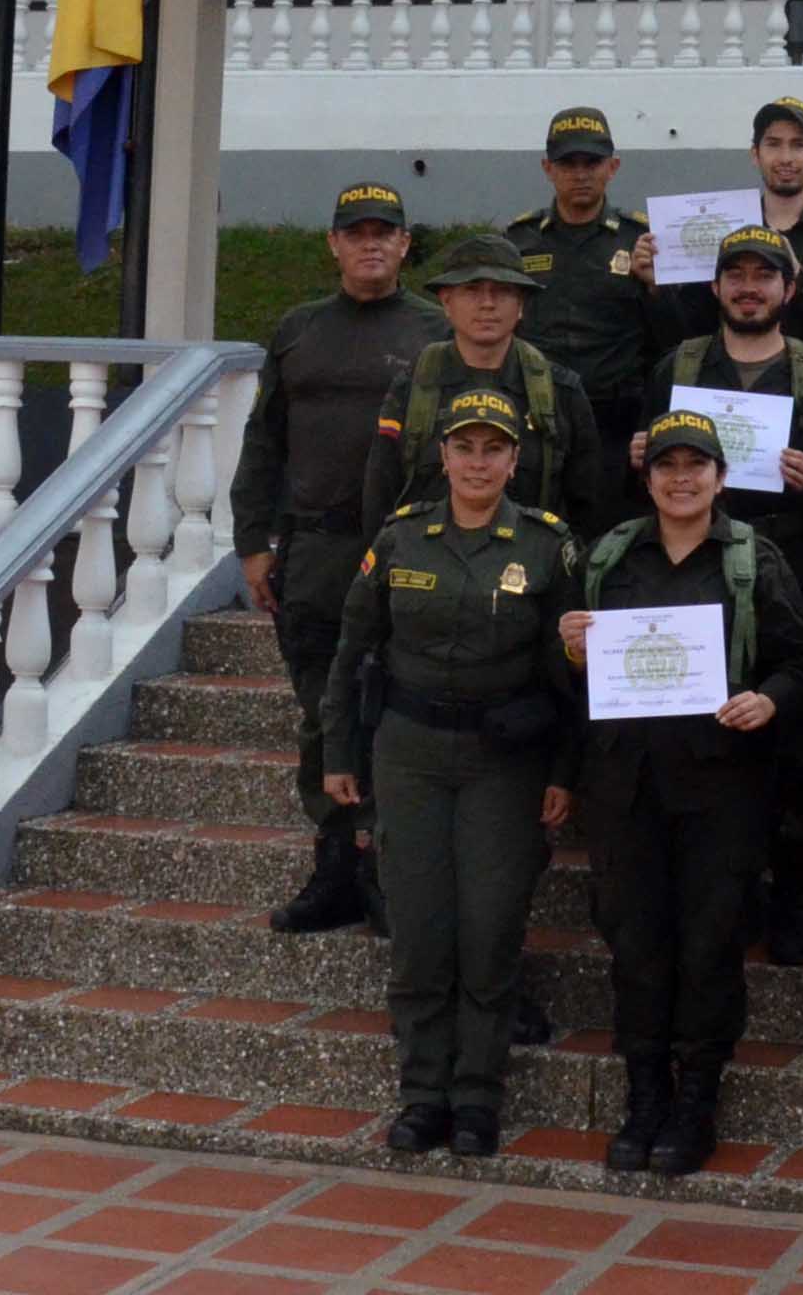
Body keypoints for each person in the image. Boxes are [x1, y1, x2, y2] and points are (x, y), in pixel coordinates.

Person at [321, 388, 583, 1161]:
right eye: (464, 448)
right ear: (443, 456)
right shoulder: (402, 539)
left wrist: (565, 771)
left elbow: (570, 675)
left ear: (514, 459)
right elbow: (350, 650)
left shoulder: (547, 546)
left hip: (504, 761)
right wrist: (339, 752)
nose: (477, 462)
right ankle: (422, 1093)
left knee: (491, 925)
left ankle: (477, 1096)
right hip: (410, 753)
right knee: (422, 931)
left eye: (493, 449)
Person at [562, 407, 803, 1179]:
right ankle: (644, 1097)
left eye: (696, 466)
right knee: (635, 944)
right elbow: (568, 681)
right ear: (647, 477)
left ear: (719, 477)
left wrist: (769, 699)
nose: (682, 479)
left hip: (719, 786)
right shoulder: (609, 557)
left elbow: (802, 662)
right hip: (626, 784)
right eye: (668, 466)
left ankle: (695, 1103)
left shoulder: (752, 559)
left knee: (709, 945)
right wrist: (570, 650)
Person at [634, 224, 803, 967]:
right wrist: (637, 456)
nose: (749, 287)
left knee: (791, 754)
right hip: (696, 579)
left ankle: (792, 901)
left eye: (766, 275)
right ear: (715, 286)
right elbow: (642, 484)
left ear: (789, 290)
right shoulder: (679, 365)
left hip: (788, 586)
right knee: (710, 749)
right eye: (736, 274)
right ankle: (726, 898)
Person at [231, 180, 445, 937]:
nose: (371, 244)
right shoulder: (298, 331)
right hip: (316, 552)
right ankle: (335, 868)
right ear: (333, 244)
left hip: (401, 550)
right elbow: (264, 443)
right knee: (325, 713)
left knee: (390, 710)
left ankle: (387, 868)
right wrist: (254, 542)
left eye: (385, 232)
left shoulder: (435, 331)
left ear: (405, 244)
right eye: (356, 232)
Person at [509, 104, 674, 533]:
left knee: (609, 540)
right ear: (547, 168)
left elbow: (675, 338)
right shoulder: (519, 241)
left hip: (615, 427)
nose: (580, 174)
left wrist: (655, 287)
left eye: (592, 162)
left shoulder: (642, 241)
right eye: (568, 163)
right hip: (538, 422)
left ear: (613, 167)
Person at [387, 233, 609, 531]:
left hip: (529, 570)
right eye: (472, 290)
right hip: (426, 567)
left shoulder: (560, 392)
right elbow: (382, 493)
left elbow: (587, 505)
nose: (487, 304)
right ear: (447, 302)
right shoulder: (413, 388)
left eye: (502, 291)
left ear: (521, 305)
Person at [672, 96, 803, 357]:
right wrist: (657, 288)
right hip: (731, 391)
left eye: (798, 145)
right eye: (773, 144)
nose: (785, 158)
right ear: (755, 154)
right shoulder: (723, 232)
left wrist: (800, 278)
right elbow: (687, 328)